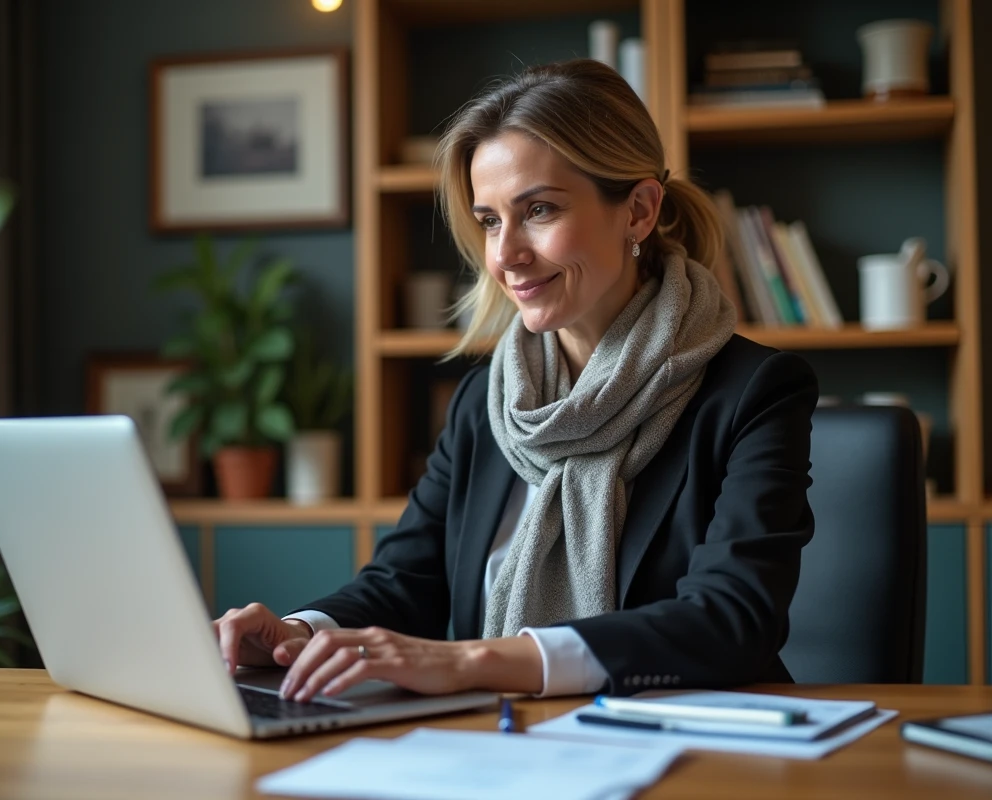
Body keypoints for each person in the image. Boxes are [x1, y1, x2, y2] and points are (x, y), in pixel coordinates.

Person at [214, 59, 818, 702]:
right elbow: (404, 583)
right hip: (504, 748)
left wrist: (476, 661)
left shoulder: (753, 391)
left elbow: (731, 620)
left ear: (639, 211)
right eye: (491, 220)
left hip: (694, 751)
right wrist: (297, 634)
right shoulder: (488, 402)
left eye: (539, 210)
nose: (504, 256)